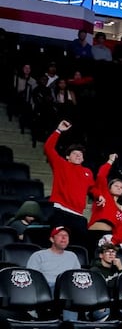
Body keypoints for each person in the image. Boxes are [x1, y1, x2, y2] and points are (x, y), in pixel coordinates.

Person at [44, 119, 94, 248]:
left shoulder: (87, 172)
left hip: (78, 215)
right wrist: (58, 131)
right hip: (61, 212)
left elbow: (93, 189)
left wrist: (99, 196)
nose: (78, 156)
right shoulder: (61, 165)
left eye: (81, 154)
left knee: (80, 249)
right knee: (58, 245)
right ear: (67, 156)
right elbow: (48, 148)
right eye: (75, 153)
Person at [26, 225, 82, 291]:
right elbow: (31, 277)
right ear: (52, 239)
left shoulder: (72, 256)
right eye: (60, 235)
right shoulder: (38, 255)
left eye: (66, 235)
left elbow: (77, 276)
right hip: (46, 288)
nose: (64, 238)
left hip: (67, 289)